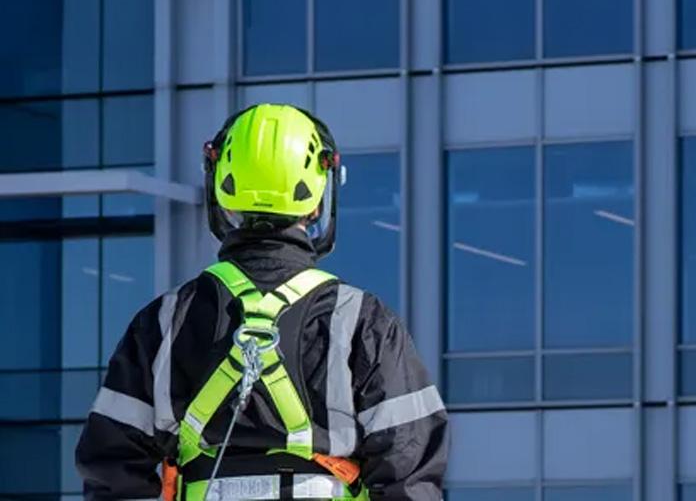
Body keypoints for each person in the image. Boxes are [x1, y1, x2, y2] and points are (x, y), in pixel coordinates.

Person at [76, 104, 449, 500]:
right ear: (319, 198)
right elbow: (410, 470)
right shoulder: (363, 323)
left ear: (221, 192)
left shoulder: (166, 322)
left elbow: (111, 468)